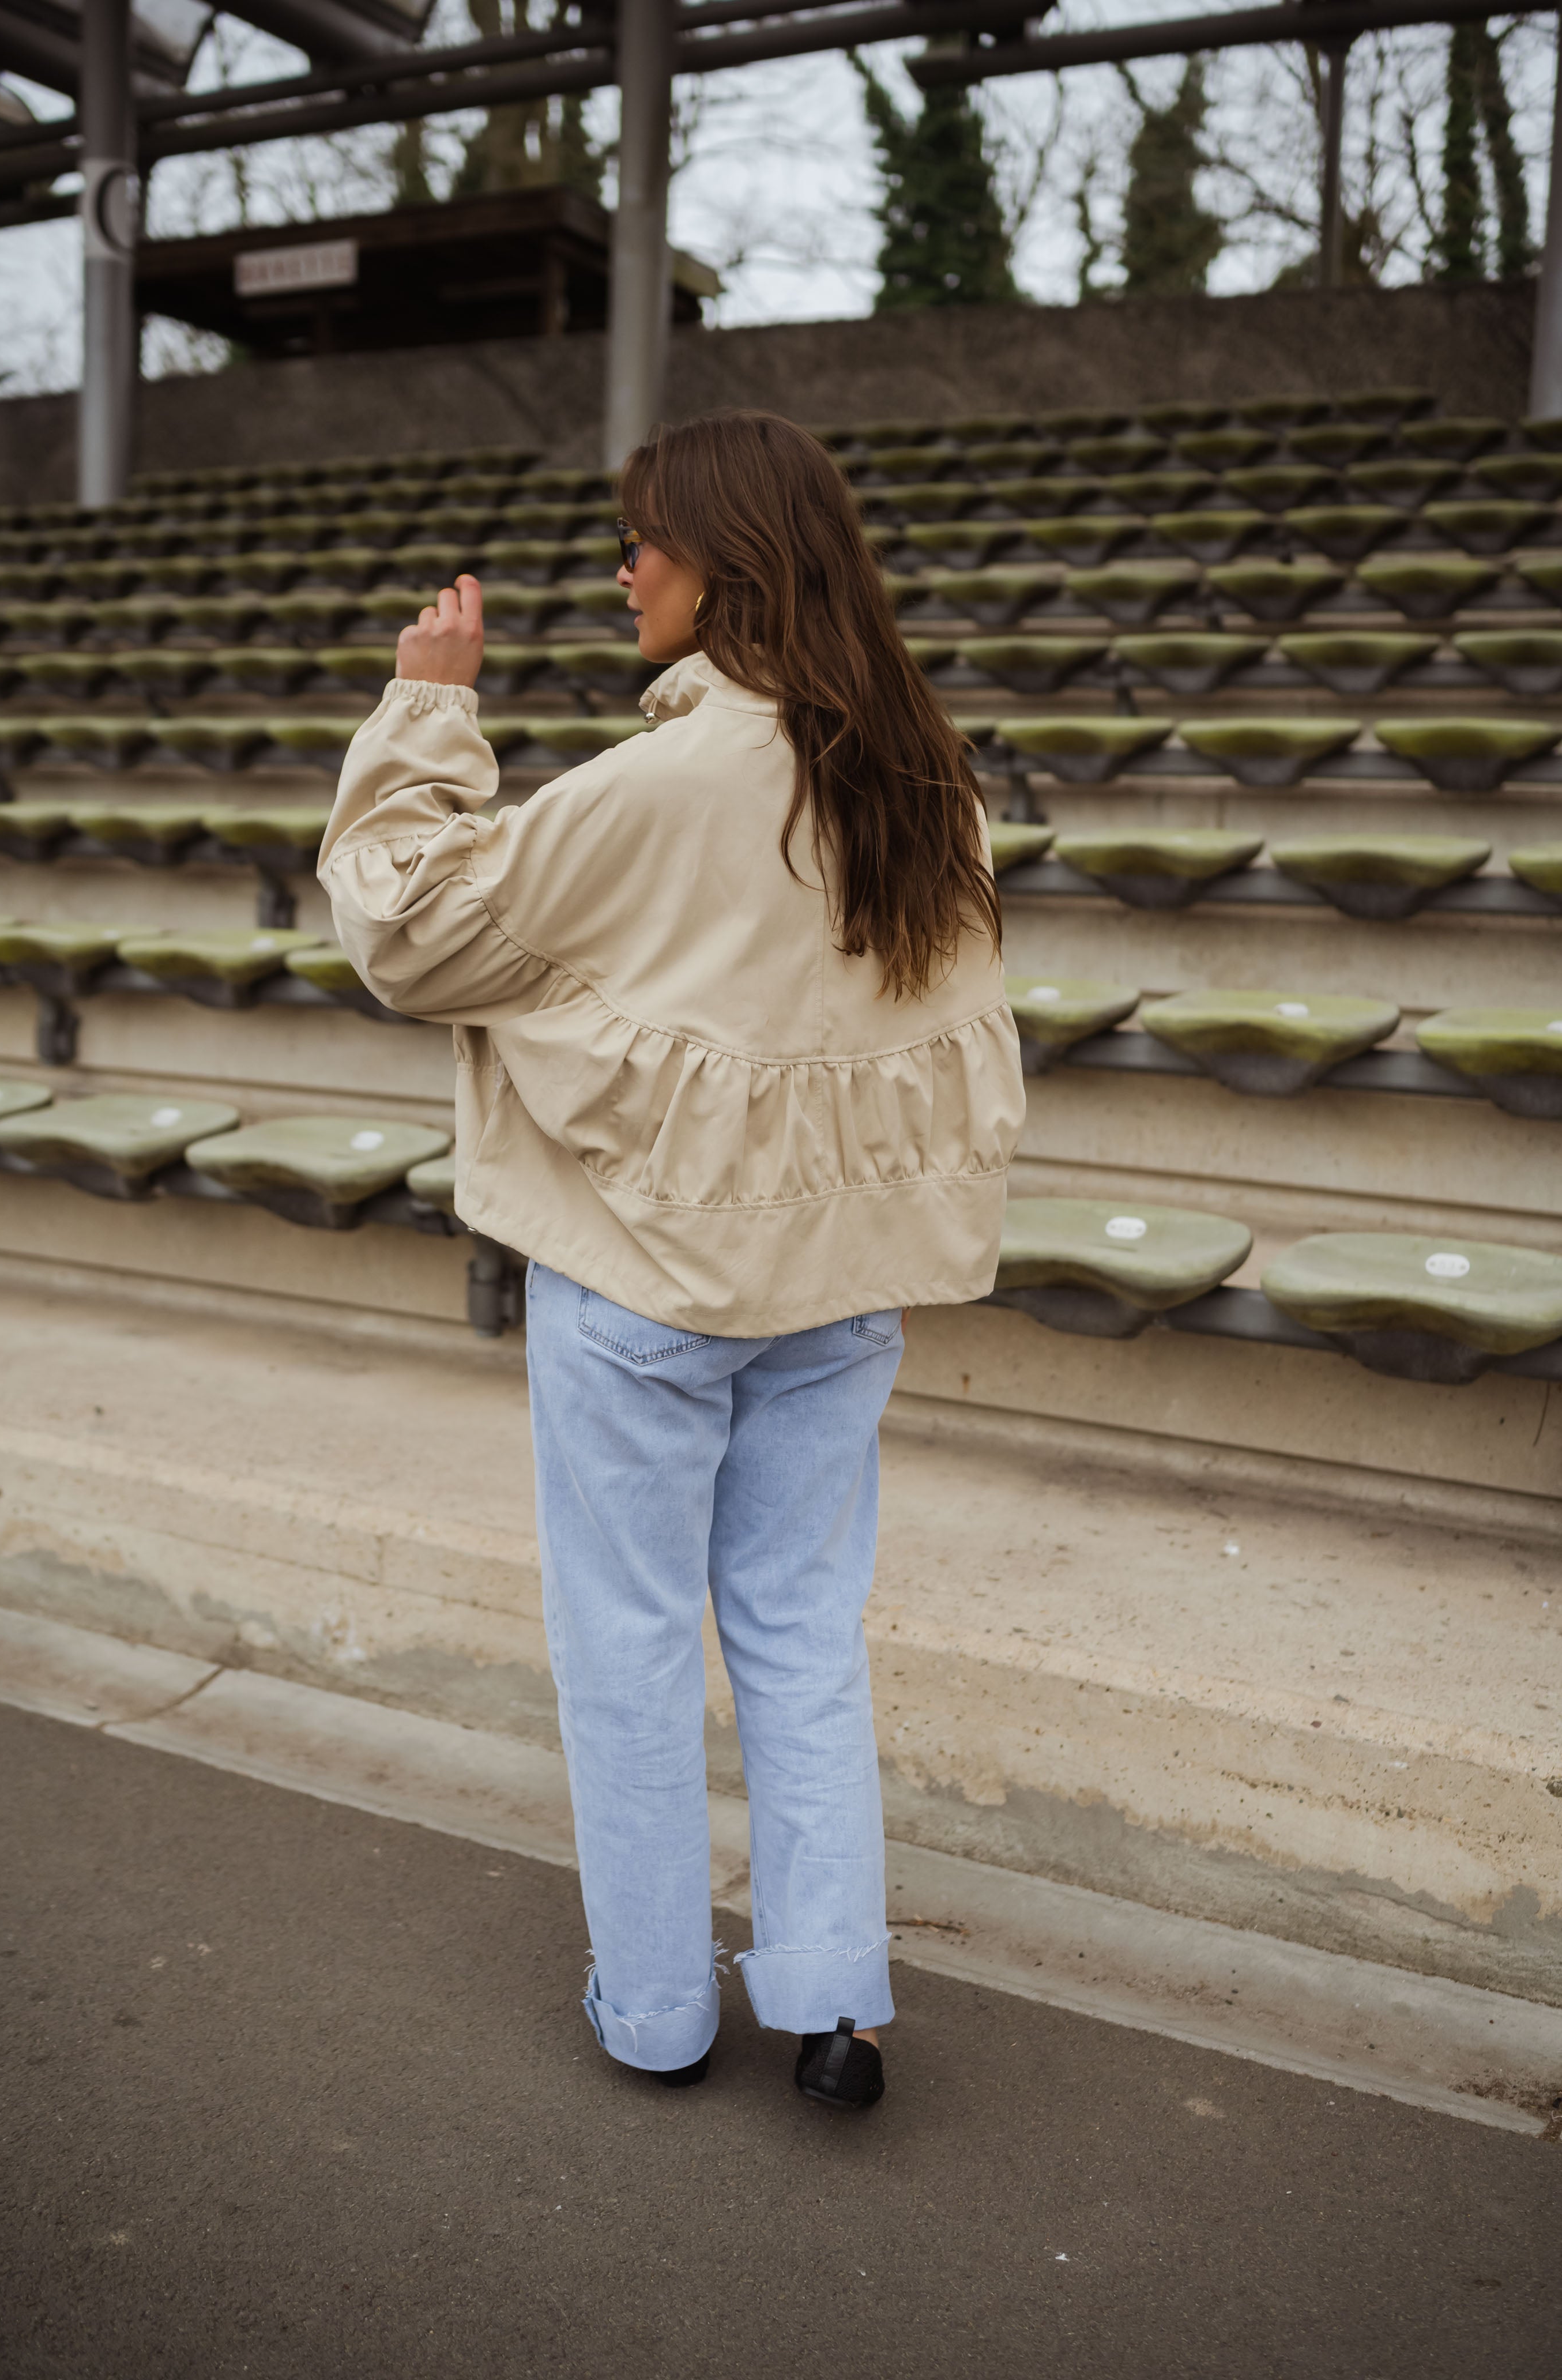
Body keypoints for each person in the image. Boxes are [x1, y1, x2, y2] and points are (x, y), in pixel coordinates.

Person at [319, 409, 1026, 2111]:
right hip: (837, 1291)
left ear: (729, 562)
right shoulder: (926, 773)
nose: (620, 566)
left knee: (631, 1641)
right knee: (799, 1632)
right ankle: (834, 1999)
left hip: (645, 1287)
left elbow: (408, 930)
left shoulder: (668, 779)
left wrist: (430, 704)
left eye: (645, 538)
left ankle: (657, 2011)